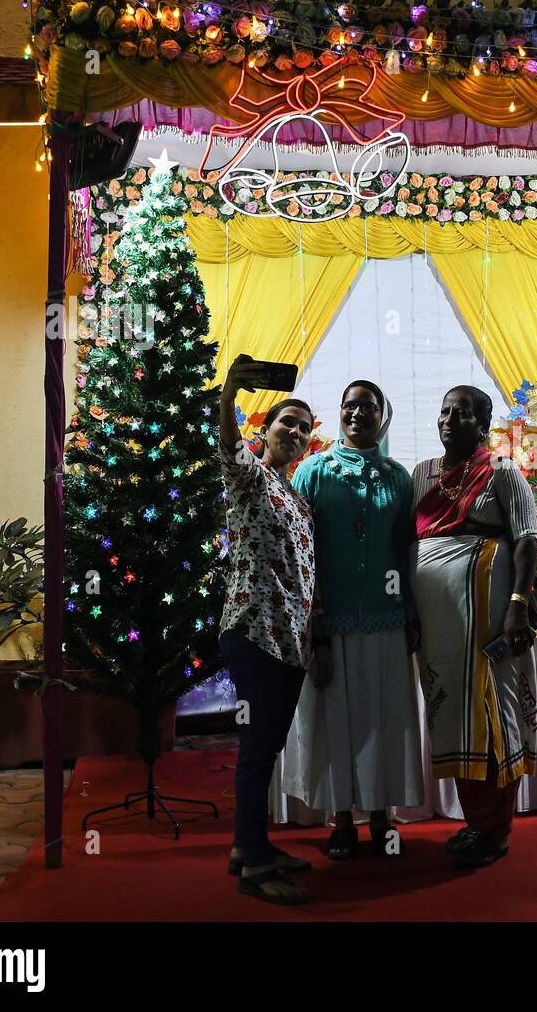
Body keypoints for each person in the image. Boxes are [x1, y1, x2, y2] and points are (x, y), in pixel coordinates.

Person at [279, 380, 425, 859]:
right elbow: (300, 552)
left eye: (367, 406)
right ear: (339, 414)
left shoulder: (398, 477)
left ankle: (382, 818)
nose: (357, 413)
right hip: (331, 620)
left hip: (386, 621)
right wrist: (314, 626)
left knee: (384, 721)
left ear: (383, 416)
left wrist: (412, 611)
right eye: (349, 405)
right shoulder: (313, 472)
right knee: (335, 722)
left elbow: (407, 549)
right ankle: (342, 819)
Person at [410, 386, 537, 869]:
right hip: (438, 620)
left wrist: (517, 605)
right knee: (454, 711)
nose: (449, 419)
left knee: (492, 711)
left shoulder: (503, 473)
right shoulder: (422, 473)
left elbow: (526, 541)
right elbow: (407, 540)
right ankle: (475, 820)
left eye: (462, 413)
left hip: (488, 612)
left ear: (483, 424)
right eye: (444, 411)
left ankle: (496, 829)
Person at [218, 355, 324, 904]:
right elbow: (226, 443)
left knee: (268, 744)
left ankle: (247, 845)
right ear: (266, 429)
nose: (297, 433)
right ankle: (255, 862)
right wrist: (231, 391)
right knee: (258, 746)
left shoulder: (297, 498)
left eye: (305, 428)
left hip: (291, 641)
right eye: (288, 423)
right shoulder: (250, 475)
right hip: (256, 633)